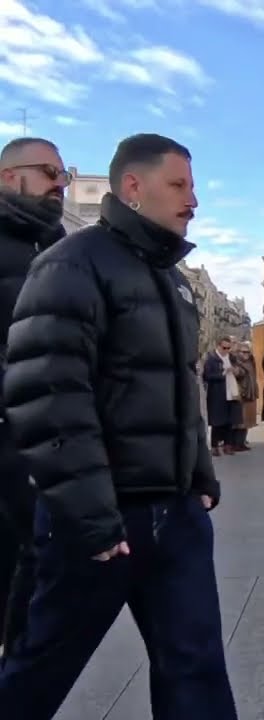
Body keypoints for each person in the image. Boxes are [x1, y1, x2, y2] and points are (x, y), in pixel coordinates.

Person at [0, 133, 236, 717]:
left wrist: (199, 474)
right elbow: (51, 398)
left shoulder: (173, 278)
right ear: (134, 187)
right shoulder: (69, 264)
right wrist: (92, 518)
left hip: (175, 512)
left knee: (196, 664)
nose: (193, 201)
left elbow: (178, 385)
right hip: (100, 518)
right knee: (41, 666)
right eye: (178, 185)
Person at [0, 137, 71, 653]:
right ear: (8, 177)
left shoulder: (58, 248)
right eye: (49, 172)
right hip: (10, 429)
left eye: (63, 177)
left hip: (48, 433)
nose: (59, 186)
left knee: (40, 552)